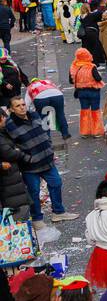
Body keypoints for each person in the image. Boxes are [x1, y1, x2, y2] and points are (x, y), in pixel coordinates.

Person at [5, 95, 77, 226]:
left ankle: (58, 212)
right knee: (34, 192)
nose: (22, 108)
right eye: (18, 106)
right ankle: (37, 219)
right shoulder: (10, 126)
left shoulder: (35, 115)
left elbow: (45, 130)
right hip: (30, 166)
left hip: (47, 159)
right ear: (11, 109)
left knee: (56, 183)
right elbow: (12, 147)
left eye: (23, 104)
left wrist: (49, 148)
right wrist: (27, 158)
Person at [69, 47, 105, 137]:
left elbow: (71, 80)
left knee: (84, 111)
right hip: (93, 92)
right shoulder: (91, 67)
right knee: (95, 111)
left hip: (81, 92)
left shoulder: (73, 67)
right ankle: (96, 132)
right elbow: (98, 78)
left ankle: (85, 132)